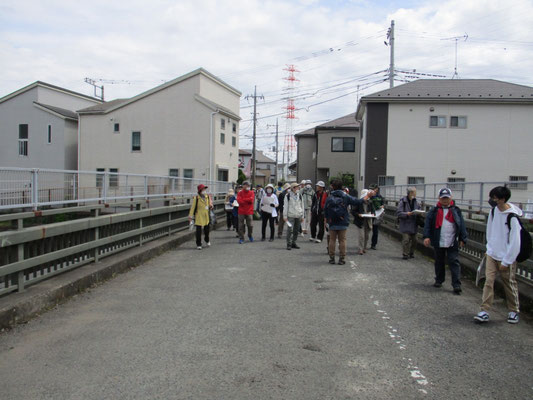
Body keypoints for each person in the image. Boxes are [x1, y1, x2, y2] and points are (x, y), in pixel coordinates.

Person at [474, 186, 522, 324]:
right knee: (488, 282)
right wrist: (489, 248)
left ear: (502, 199)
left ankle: (514, 310)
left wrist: (507, 261)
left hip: (506, 257)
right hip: (492, 254)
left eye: (495, 198)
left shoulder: (512, 216)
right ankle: (484, 310)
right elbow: (490, 231)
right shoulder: (494, 211)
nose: (492, 200)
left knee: (509, 283)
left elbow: (515, 242)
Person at [423, 188, 467, 295]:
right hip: (439, 239)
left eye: (447, 198)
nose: (445, 200)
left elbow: (461, 225)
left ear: (451, 198)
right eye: (443, 198)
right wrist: (426, 236)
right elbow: (428, 225)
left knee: (454, 261)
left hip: (452, 240)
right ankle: (439, 280)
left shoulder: (455, 210)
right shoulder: (434, 210)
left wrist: (463, 238)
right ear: (439, 198)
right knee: (439, 261)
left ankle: (456, 284)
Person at [324, 179, 374, 265]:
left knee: (332, 240)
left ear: (333, 187)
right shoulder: (345, 196)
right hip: (343, 221)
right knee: (342, 240)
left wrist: (326, 220)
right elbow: (358, 201)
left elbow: (325, 210)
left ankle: (332, 258)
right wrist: (368, 196)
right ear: (341, 187)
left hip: (332, 222)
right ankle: (341, 259)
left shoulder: (330, 197)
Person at [396, 187, 422, 260]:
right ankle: (405, 254)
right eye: (414, 192)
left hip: (413, 224)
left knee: (415, 240)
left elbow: (419, 210)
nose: (415, 194)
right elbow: (398, 213)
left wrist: (420, 213)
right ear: (410, 193)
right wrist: (407, 213)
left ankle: (411, 252)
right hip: (405, 224)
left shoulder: (416, 202)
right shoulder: (403, 202)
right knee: (406, 240)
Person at [188, 184, 213, 250]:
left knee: (207, 230)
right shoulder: (196, 198)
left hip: (206, 215)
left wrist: (211, 206)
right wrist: (190, 216)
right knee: (198, 231)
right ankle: (198, 244)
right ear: (200, 190)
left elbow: (209, 204)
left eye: (205, 189)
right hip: (199, 215)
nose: (204, 190)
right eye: (203, 189)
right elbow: (193, 207)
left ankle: (207, 239)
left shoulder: (207, 197)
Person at [352, 189, 375, 255]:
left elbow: (373, 211)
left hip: (368, 221)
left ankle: (364, 247)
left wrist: (372, 214)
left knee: (366, 236)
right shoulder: (358, 203)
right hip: (360, 221)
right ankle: (360, 249)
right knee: (361, 236)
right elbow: (353, 211)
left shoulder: (370, 202)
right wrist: (358, 214)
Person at [284, 182, 305, 250]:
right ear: (293, 188)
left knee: (296, 230)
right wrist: (285, 216)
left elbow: (302, 205)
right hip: (290, 215)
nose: (298, 188)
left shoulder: (300, 195)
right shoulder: (287, 196)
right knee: (290, 230)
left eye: (298, 187)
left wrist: (302, 216)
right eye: (297, 187)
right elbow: (285, 206)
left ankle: (294, 242)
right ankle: (289, 244)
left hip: (298, 215)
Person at [369, 183, 385, 250]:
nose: (374, 191)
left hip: (377, 214)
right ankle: (363, 244)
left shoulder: (380, 197)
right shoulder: (369, 196)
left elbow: (383, 204)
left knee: (375, 231)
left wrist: (382, 206)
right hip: (370, 214)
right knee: (367, 230)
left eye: (375, 189)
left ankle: (373, 244)